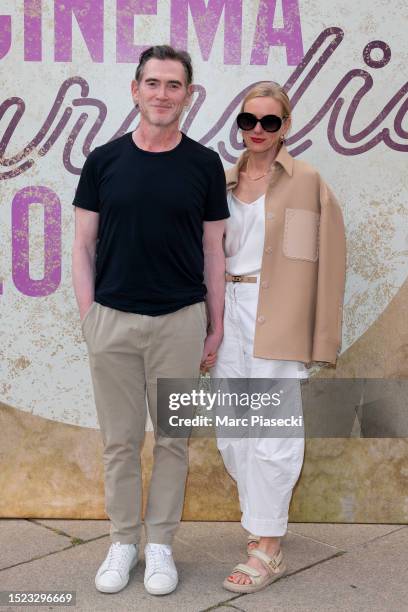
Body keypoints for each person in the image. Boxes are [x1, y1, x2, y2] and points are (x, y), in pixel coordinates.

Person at [71, 45, 229, 596]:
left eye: (174, 85)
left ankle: (160, 544)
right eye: (154, 83)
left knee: (173, 440)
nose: (163, 94)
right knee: (119, 441)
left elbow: (214, 251)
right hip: (111, 322)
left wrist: (214, 325)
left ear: (188, 95)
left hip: (180, 322)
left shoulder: (204, 164)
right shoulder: (103, 161)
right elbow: (83, 246)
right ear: (136, 89)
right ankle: (123, 541)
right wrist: (90, 317)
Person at [204, 82, 346, 594]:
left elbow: (329, 267)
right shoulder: (219, 185)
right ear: (237, 125)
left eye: (270, 122)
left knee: (273, 431)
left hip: (280, 316)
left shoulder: (308, 183)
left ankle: (267, 544)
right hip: (229, 312)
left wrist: (321, 338)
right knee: (233, 430)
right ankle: (262, 522)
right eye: (249, 121)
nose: (258, 131)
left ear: (287, 126)